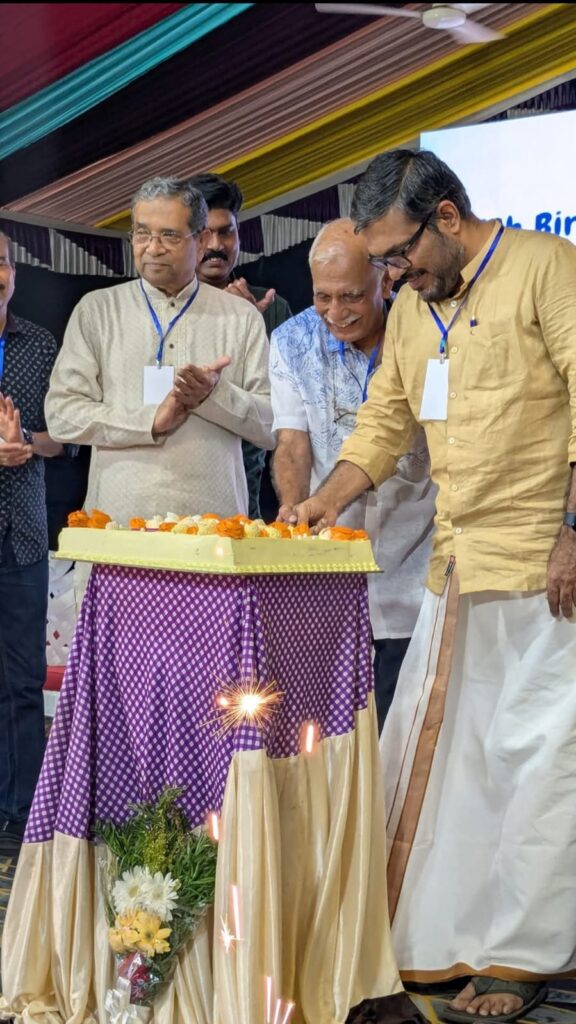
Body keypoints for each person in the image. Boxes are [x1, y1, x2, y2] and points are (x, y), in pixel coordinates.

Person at [293, 148, 576, 1023]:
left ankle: (523, 958)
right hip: (458, 569)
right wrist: (324, 501)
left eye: (399, 254)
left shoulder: (546, 267)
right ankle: (451, 943)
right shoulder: (418, 310)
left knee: (541, 766)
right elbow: (384, 423)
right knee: (459, 772)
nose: (392, 275)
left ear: (446, 217)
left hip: (548, 566)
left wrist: (574, 531)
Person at [270, 218, 436, 729]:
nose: (336, 313)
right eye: (323, 297)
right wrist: (294, 510)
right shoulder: (292, 341)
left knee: (403, 736)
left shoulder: (426, 330)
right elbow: (292, 441)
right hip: (330, 575)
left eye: (351, 297)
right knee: (330, 738)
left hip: (416, 568)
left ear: (386, 280)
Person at [45, 177, 273, 534]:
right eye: (142, 234)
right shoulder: (98, 310)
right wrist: (148, 423)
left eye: (169, 235)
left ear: (200, 241)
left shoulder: (241, 317)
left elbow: (272, 426)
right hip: (117, 528)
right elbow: (61, 415)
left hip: (213, 532)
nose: (153, 248)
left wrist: (213, 396)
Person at [0, 232, 67, 855]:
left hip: (21, 536)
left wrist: (25, 445)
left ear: (14, 274)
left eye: (0, 262)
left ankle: (24, 814)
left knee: (22, 681)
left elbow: (61, 437)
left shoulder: (41, 345)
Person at [189, 171, 292, 519]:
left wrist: (249, 324)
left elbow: (285, 406)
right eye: (204, 233)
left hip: (243, 495)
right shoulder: (162, 310)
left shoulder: (271, 307)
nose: (216, 245)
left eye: (226, 232)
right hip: (177, 485)